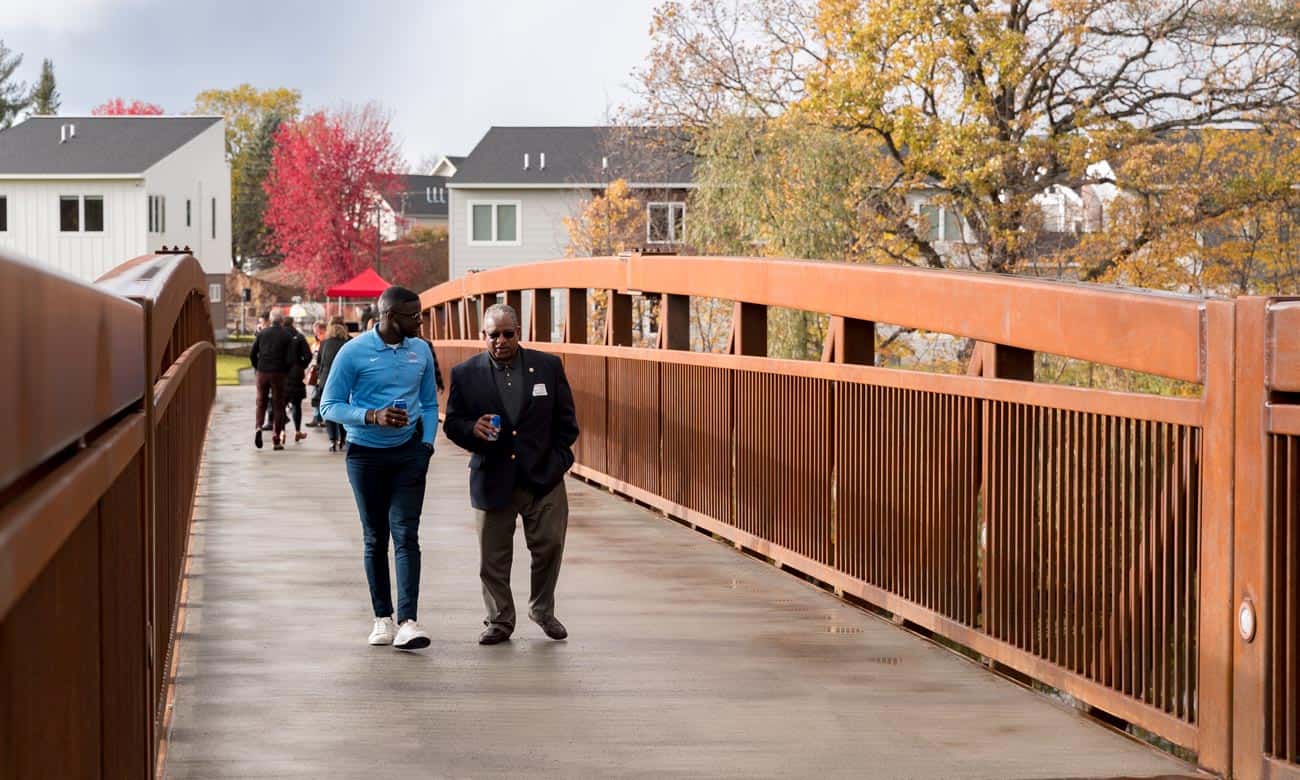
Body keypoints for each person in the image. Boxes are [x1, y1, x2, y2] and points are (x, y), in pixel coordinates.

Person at [443, 303, 580, 645]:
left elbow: (567, 423)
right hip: (493, 475)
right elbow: (453, 423)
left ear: (519, 333)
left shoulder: (548, 366)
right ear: (483, 337)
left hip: (543, 477)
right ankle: (499, 620)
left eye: (508, 334)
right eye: (494, 335)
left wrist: (559, 461)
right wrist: (470, 428)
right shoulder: (465, 373)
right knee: (493, 558)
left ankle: (542, 609)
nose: (501, 341)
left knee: (550, 546)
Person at [321, 286, 439, 651]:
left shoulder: (420, 350)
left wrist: (427, 446)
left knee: (406, 535)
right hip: (365, 456)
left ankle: (407, 621)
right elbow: (329, 406)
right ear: (389, 316)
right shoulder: (352, 353)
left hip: (408, 454)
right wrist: (371, 416)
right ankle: (382, 618)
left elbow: (431, 402)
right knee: (375, 537)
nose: (420, 321)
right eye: (413, 316)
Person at [249, 314, 295, 450]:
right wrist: (285, 370)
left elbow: (252, 353)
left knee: (261, 402)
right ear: (281, 321)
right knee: (278, 405)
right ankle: (276, 438)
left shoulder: (262, 333)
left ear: (271, 320)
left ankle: (258, 427)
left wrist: (258, 366)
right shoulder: (286, 336)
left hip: (263, 371)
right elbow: (291, 358)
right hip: (278, 373)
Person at [316, 321, 351, 452]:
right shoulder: (347, 344)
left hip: (326, 380)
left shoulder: (324, 343)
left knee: (329, 408)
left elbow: (320, 363)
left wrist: (319, 379)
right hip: (344, 381)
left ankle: (332, 440)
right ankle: (343, 438)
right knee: (343, 409)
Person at [282, 317, 313, 443]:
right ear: (293, 324)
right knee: (296, 405)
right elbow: (308, 355)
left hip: (282, 373)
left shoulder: (279, 336)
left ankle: (282, 431)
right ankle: (297, 431)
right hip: (296, 374)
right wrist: (301, 365)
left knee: (280, 405)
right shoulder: (299, 337)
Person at [306, 321, 329, 428]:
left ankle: (324, 418)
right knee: (316, 396)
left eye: (318, 332)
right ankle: (317, 417)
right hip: (315, 371)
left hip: (322, 372)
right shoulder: (317, 342)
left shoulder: (326, 341)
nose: (316, 334)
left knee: (322, 396)